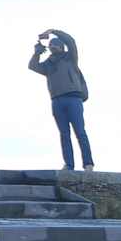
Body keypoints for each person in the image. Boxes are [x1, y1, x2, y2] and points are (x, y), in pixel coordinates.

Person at [28, 27, 93, 171]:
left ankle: (88, 163)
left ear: (61, 46)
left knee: (80, 132)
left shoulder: (70, 57)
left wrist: (52, 31)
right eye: (51, 45)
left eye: (56, 44)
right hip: (56, 100)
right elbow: (32, 66)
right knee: (64, 134)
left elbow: (71, 41)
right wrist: (37, 53)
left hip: (73, 98)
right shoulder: (48, 65)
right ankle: (69, 165)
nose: (53, 47)